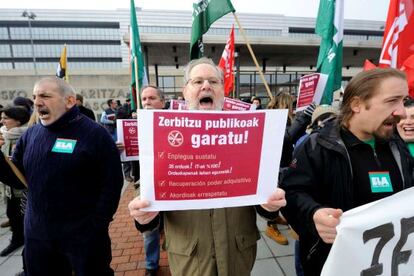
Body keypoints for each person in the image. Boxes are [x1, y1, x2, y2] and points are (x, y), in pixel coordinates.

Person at [128, 58, 286, 276]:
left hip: (238, 254)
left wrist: (269, 206)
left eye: (213, 81)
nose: (206, 86)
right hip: (190, 257)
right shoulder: (165, 131)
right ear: (185, 91)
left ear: (223, 90)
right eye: (198, 81)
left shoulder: (246, 134)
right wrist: (144, 212)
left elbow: (263, 188)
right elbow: (145, 186)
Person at [280, 68, 414, 275]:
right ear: (357, 104)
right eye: (392, 101)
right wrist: (313, 214)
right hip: (334, 265)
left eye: (404, 100)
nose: (402, 112)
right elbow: (291, 193)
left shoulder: (397, 146)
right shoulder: (318, 146)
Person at [0, 77, 123, 276]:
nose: (37, 102)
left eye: (45, 96)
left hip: (83, 239)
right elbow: (18, 179)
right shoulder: (30, 135)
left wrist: (96, 225)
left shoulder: (95, 134)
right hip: (38, 239)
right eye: (35, 96)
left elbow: (112, 184)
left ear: (69, 101)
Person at [0, 106, 30, 257]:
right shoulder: (4, 136)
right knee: (12, 214)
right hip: (9, 187)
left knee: (25, 218)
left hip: (23, 188)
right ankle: (16, 239)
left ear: (18, 121)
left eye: (6, 118)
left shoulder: (26, 137)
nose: (2, 121)